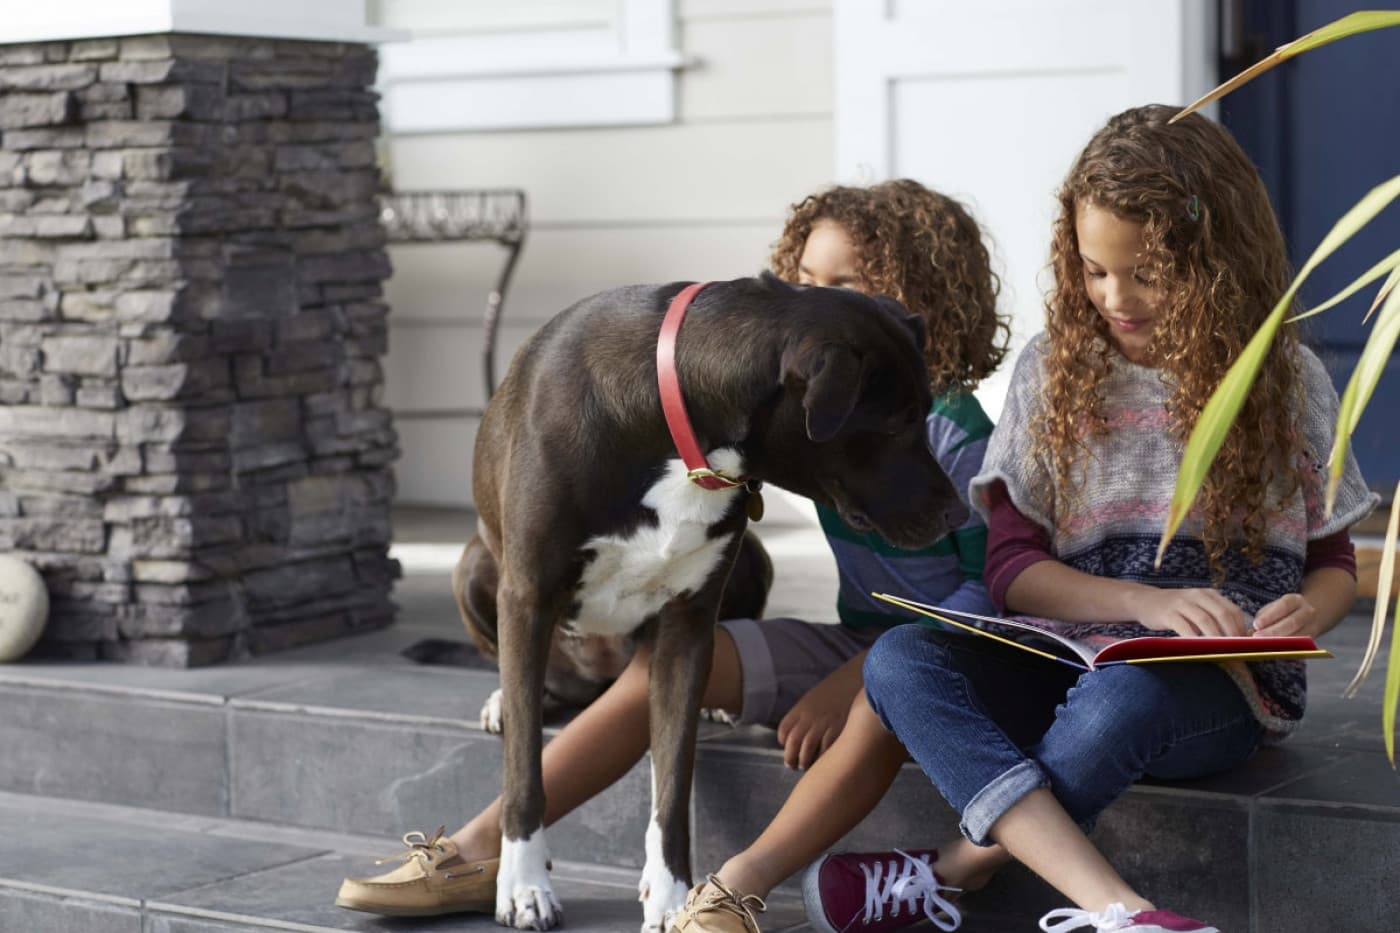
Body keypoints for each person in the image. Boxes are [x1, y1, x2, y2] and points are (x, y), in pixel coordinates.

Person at [674, 104, 1380, 933]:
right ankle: (1125, 910)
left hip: (1220, 694)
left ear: (1217, 260)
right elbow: (1012, 569)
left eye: (1147, 273)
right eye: (1094, 270)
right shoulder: (1054, 371)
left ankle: (953, 870)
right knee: (900, 661)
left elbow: (1333, 556)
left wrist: (1308, 608)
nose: (1116, 298)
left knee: (1122, 699)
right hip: (1068, 662)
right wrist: (1144, 604)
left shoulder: (1285, 378)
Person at [333, 179, 1012, 920]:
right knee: (662, 667)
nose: (812, 296)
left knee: (874, 689)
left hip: (930, 657)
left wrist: (855, 678)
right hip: (848, 641)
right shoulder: (782, 405)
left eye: (840, 283)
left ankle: (732, 887)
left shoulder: (935, 428)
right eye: (805, 278)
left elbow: (991, 592)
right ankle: (486, 841)